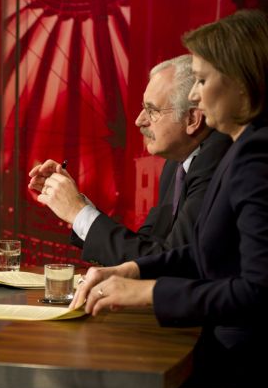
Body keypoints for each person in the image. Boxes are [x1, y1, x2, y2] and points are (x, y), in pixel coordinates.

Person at [70, 9, 268, 388]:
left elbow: (257, 291)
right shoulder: (238, 149)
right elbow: (205, 252)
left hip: (238, 367)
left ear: (242, 85)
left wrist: (148, 292)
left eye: (202, 80)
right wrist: (132, 270)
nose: (194, 95)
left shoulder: (256, 154)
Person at [28, 55, 231, 266]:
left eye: (152, 111)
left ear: (192, 119)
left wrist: (78, 212)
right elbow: (147, 245)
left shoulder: (214, 161)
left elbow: (171, 261)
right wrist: (75, 202)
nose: (139, 120)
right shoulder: (176, 163)